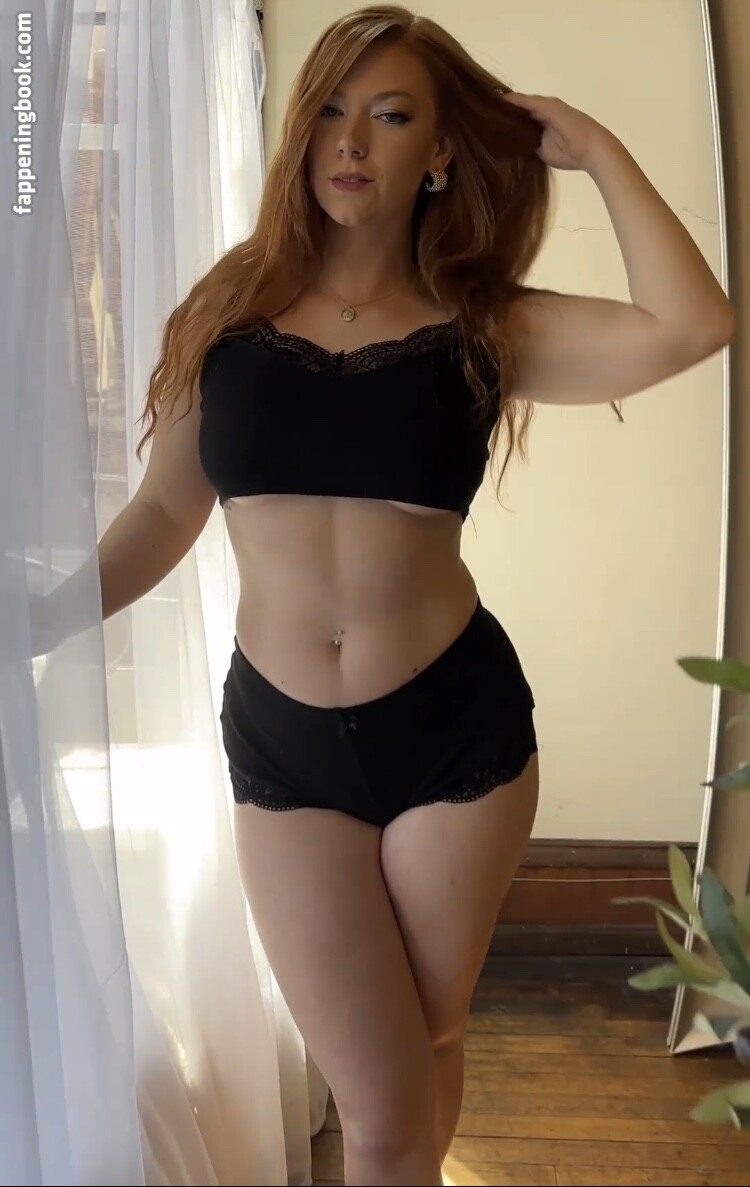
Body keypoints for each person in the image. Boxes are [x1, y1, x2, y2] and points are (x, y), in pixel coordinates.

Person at [38, 5, 736, 1185]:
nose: (352, 141)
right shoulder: (226, 314)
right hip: (285, 747)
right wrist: (38, 619)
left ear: (442, 151)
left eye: (393, 115)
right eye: (330, 112)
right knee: (378, 1100)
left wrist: (592, 146)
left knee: (425, 1046)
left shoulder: (484, 327)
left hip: (457, 735)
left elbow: (694, 323)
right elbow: (162, 515)